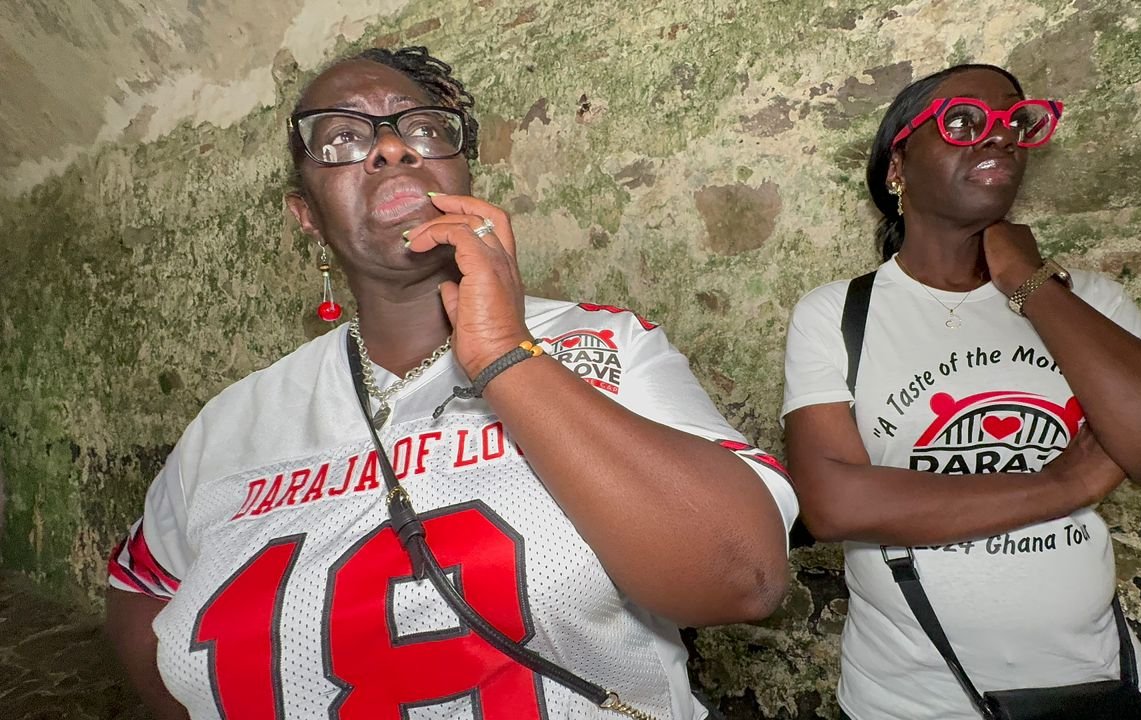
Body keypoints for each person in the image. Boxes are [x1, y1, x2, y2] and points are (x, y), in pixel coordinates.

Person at [104, 46, 797, 720]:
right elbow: (139, 586)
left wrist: (504, 354)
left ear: (462, 177)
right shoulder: (232, 421)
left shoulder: (607, 345)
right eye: (342, 138)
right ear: (306, 214)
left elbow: (744, 579)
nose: (391, 148)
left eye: (422, 129)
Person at [782, 63, 1141, 720]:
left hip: (1094, 689)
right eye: (963, 121)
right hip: (906, 700)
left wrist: (1028, 283)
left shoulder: (1091, 304)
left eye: (1016, 121)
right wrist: (1067, 483)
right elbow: (833, 503)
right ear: (898, 165)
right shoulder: (837, 315)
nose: (1001, 136)